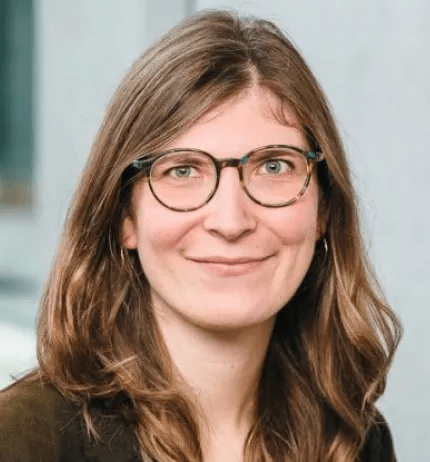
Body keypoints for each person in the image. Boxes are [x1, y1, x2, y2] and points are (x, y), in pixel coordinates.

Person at [0, 9, 402, 462]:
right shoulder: (22, 442)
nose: (230, 221)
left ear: (324, 208)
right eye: (183, 170)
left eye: (274, 166)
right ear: (124, 217)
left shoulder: (354, 438)